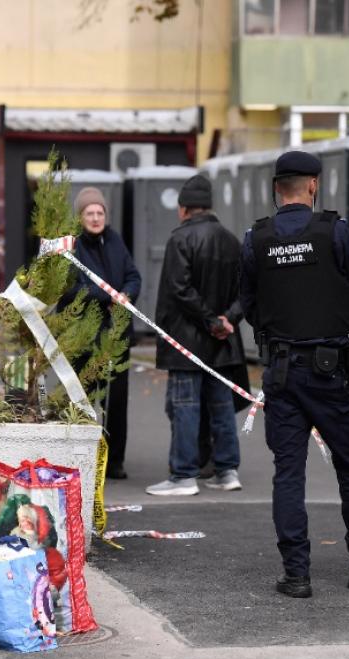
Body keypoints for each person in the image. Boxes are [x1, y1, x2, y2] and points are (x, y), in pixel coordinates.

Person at [240, 150, 349, 598]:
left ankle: (297, 575)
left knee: (288, 473)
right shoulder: (336, 231)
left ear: (276, 188)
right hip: (336, 372)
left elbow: (249, 302)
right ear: (312, 185)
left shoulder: (256, 238)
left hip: (283, 370)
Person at [146, 174, 245, 497]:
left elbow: (179, 290)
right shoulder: (232, 240)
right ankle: (227, 471)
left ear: (183, 208)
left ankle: (183, 475)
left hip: (186, 342)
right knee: (221, 407)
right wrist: (227, 320)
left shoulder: (180, 239)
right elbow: (247, 289)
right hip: (223, 343)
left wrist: (209, 321)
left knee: (185, 406)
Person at [62, 187, 141, 480]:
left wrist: (127, 294)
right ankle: (79, 458)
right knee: (83, 398)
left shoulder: (115, 240)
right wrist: (106, 296)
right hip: (85, 337)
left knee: (117, 400)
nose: (95, 218)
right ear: (80, 216)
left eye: (100, 213)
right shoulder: (71, 246)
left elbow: (133, 275)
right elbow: (70, 289)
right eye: (89, 213)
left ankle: (114, 460)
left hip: (117, 334)